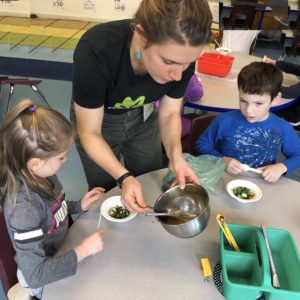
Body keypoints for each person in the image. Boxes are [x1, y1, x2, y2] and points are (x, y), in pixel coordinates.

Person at [70, 0, 212, 213]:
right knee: (107, 189)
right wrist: (124, 176)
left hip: (143, 117)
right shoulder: (97, 50)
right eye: (169, 62)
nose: (178, 75)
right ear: (140, 35)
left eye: (187, 64)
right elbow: (89, 133)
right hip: (100, 121)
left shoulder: (183, 55)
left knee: (150, 179)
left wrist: (176, 156)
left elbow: (170, 112)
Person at [0, 100, 105, 299]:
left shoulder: (44, 175)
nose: (65, 161)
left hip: (64, 250)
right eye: (61, 158)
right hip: (45, 280)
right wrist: (82, 251)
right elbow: (35, 275)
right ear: (35, 163)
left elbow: (54, 208)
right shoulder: (24, 210)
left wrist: (78, 205)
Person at [195, 62, 300, 183]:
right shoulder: (223, 120)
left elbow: (297, 155)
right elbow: (202, 144)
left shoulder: (283, 127)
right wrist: (222, 160)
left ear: (275, 99)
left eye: (258, 103)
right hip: (224, 178)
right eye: (243, 101)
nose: (249, 110)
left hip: (261, 183)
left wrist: (281, 167)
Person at [263, 55, 300, 128]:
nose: (298, 58)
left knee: (263, 108)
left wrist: (266, 83)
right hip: (294, 102)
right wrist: (274, 62)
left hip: (294, 115)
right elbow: (293, 68)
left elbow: (287, 92)